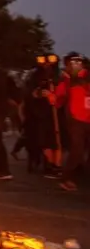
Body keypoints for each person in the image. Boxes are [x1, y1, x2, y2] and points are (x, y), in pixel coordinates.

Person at [51, 52, 89, 192]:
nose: (76, 65)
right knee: (77, 150)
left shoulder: (87, 77)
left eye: (79, 61)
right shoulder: (66, 81)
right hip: (76, 119)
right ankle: (66, 178)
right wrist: (52, 97)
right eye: (72, 62)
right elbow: (58, 99)